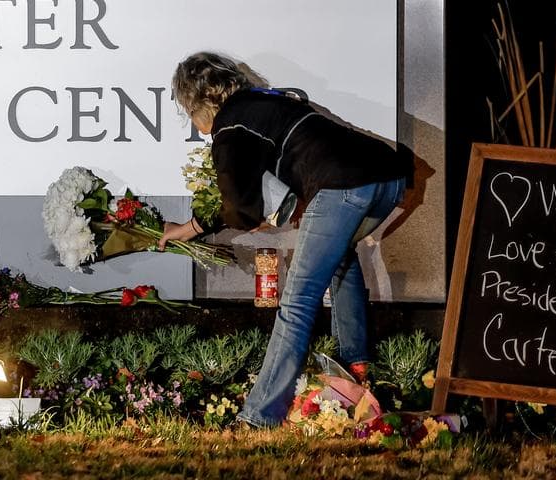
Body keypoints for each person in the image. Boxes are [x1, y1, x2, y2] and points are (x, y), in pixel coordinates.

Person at [160, 51, 412, 428]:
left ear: (199, 103)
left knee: (297, 300)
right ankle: (355, 369)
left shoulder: (229, 126)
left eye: (189, 112)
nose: (196, 125)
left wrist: (203, 225)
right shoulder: (268, 100)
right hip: (390, 179)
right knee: (339, 256)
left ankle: (259, 415)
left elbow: (239, 205)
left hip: (343, 186)